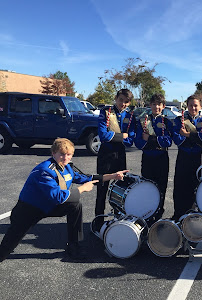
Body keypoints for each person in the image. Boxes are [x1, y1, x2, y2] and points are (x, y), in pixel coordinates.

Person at [0, 138, 128, 261]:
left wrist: (113, 176)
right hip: (29, 210)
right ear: (53, 153)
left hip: (49, 206)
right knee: (5, 249)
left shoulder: (67, 167)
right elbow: (58, 196)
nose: (65, 158)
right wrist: (82, 189)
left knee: (74, 205)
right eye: (62, 154)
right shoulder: (44, 171)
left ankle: (74, 246)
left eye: (69, 154)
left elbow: (85, 177)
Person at [94, 89, 135, 231]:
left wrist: (123, 137)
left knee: (120, 189)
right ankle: (98, 220)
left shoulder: (130, 116)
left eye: (126, 101)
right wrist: (122, 136)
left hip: (120, 154)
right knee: (102, 188)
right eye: (121, 100)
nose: (123, 103)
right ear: (116, 98)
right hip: (106, 155)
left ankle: (119, 219)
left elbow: (130, 140)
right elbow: (103, 136)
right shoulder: (105, 112)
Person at [171, 95, 202, 221]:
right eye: (190, 105)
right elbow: (178, 139)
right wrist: (195, 137)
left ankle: (192, 217)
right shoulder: (179, 120)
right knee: (180, 187)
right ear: (186, 106)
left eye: (195, 105)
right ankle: (178, 216)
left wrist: (187, 134)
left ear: (200, 107)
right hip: (183, 157)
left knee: (196, 187)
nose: (193, 108)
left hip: (198, 158)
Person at [134, 94, 173, 223]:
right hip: (148, 159)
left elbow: (167, 142)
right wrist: (154, 141)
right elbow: (139, 142)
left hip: (162, 158)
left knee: (162, 187)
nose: (156, 106)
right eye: (154, 104)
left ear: (163, 106)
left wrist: (151, 139)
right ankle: (148, 214)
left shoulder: (167, 122)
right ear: (150, 105)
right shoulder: (142, 121)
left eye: (159, 104)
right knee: (147, 187)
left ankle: (158, 215)